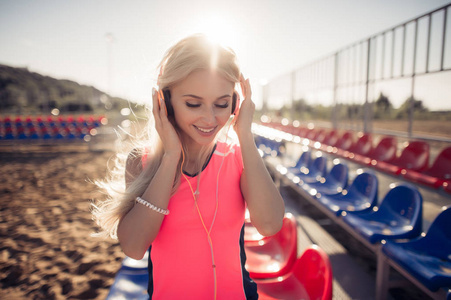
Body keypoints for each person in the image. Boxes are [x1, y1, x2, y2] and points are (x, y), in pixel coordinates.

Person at [92, 34, 285, 300]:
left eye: (221, 104)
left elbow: (271, 224)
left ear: (235, 104)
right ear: (166, 101)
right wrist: (171, 156)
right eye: (193, 104)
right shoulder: (143, 161)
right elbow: (135, 247)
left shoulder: (239, 158)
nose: (209, 118)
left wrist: (245, 135)